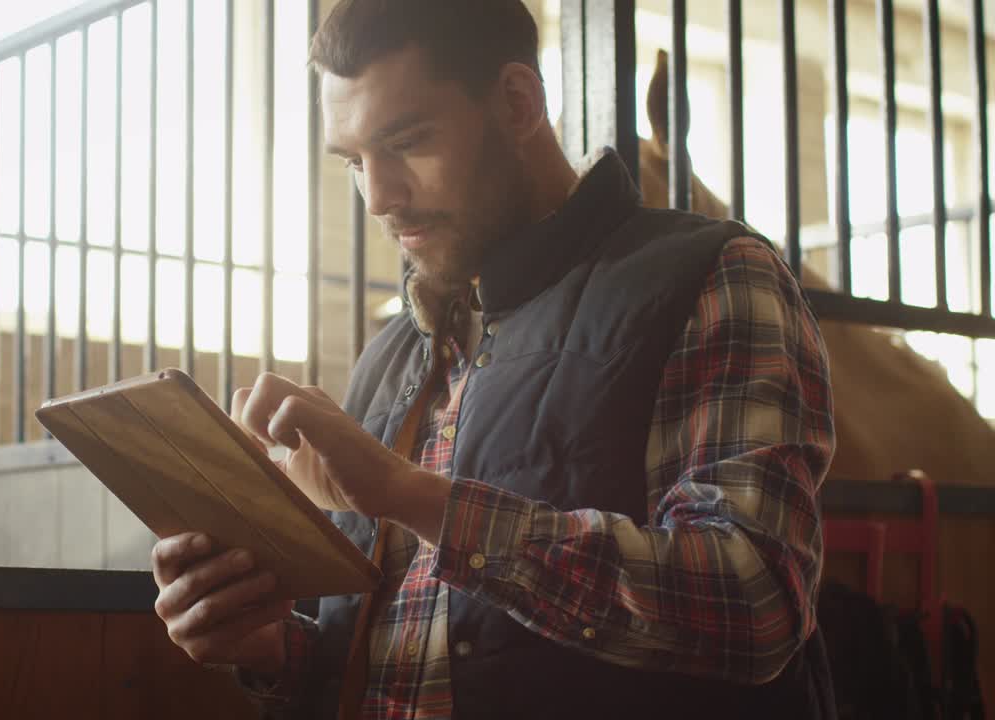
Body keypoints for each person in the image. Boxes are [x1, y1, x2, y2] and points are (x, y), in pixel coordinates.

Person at [151, 1, 836, 717]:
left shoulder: (713, 274)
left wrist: (408, 494)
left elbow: (756, 604)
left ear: (517, 102)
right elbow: (396, 653)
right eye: (355, 161)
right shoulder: (388, 359)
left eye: (408, 141)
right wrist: (270, 645)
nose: (378, 196)